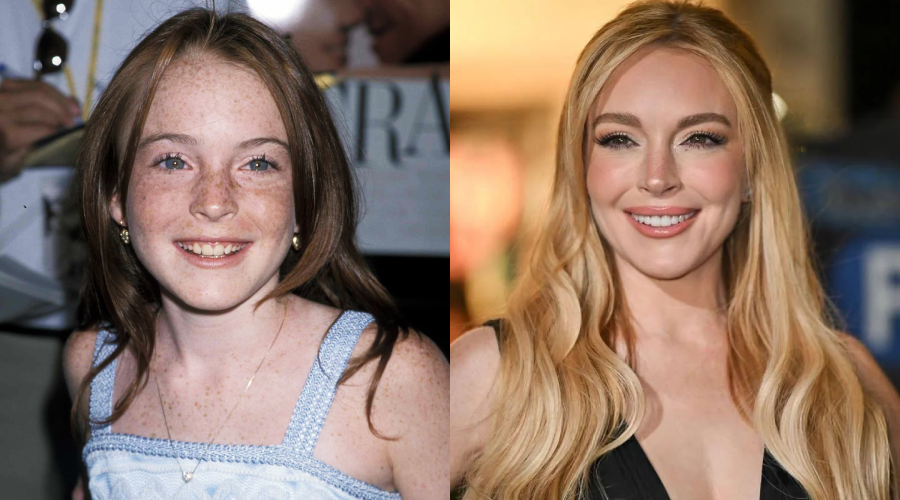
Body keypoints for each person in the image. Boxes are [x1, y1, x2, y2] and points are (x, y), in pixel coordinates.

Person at [450, 2, 900, 500]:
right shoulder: (496, 376)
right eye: (620, 139)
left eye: (699, 138)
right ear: (581, 165)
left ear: (753, 168)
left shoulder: (847, 387)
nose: (658, 176)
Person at [62, 8, 447, 499]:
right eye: (174, 161)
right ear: (116, 194)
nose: (215, 201)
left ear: (304, 200)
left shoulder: (389, 377)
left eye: (258, 163)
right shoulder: (93, 366)